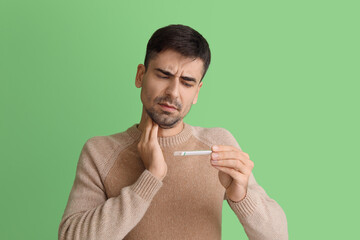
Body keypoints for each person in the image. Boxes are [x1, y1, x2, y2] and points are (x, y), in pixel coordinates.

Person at [58, 24, 288, 240]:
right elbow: (70, 236)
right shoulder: (100, 152)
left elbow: (278, 236)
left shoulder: (217, 144)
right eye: (164, 75)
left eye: (187, 82)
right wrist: (150, 177)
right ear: (141, 75)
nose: (173, 93)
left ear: (197, 92)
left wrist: (242, 197)